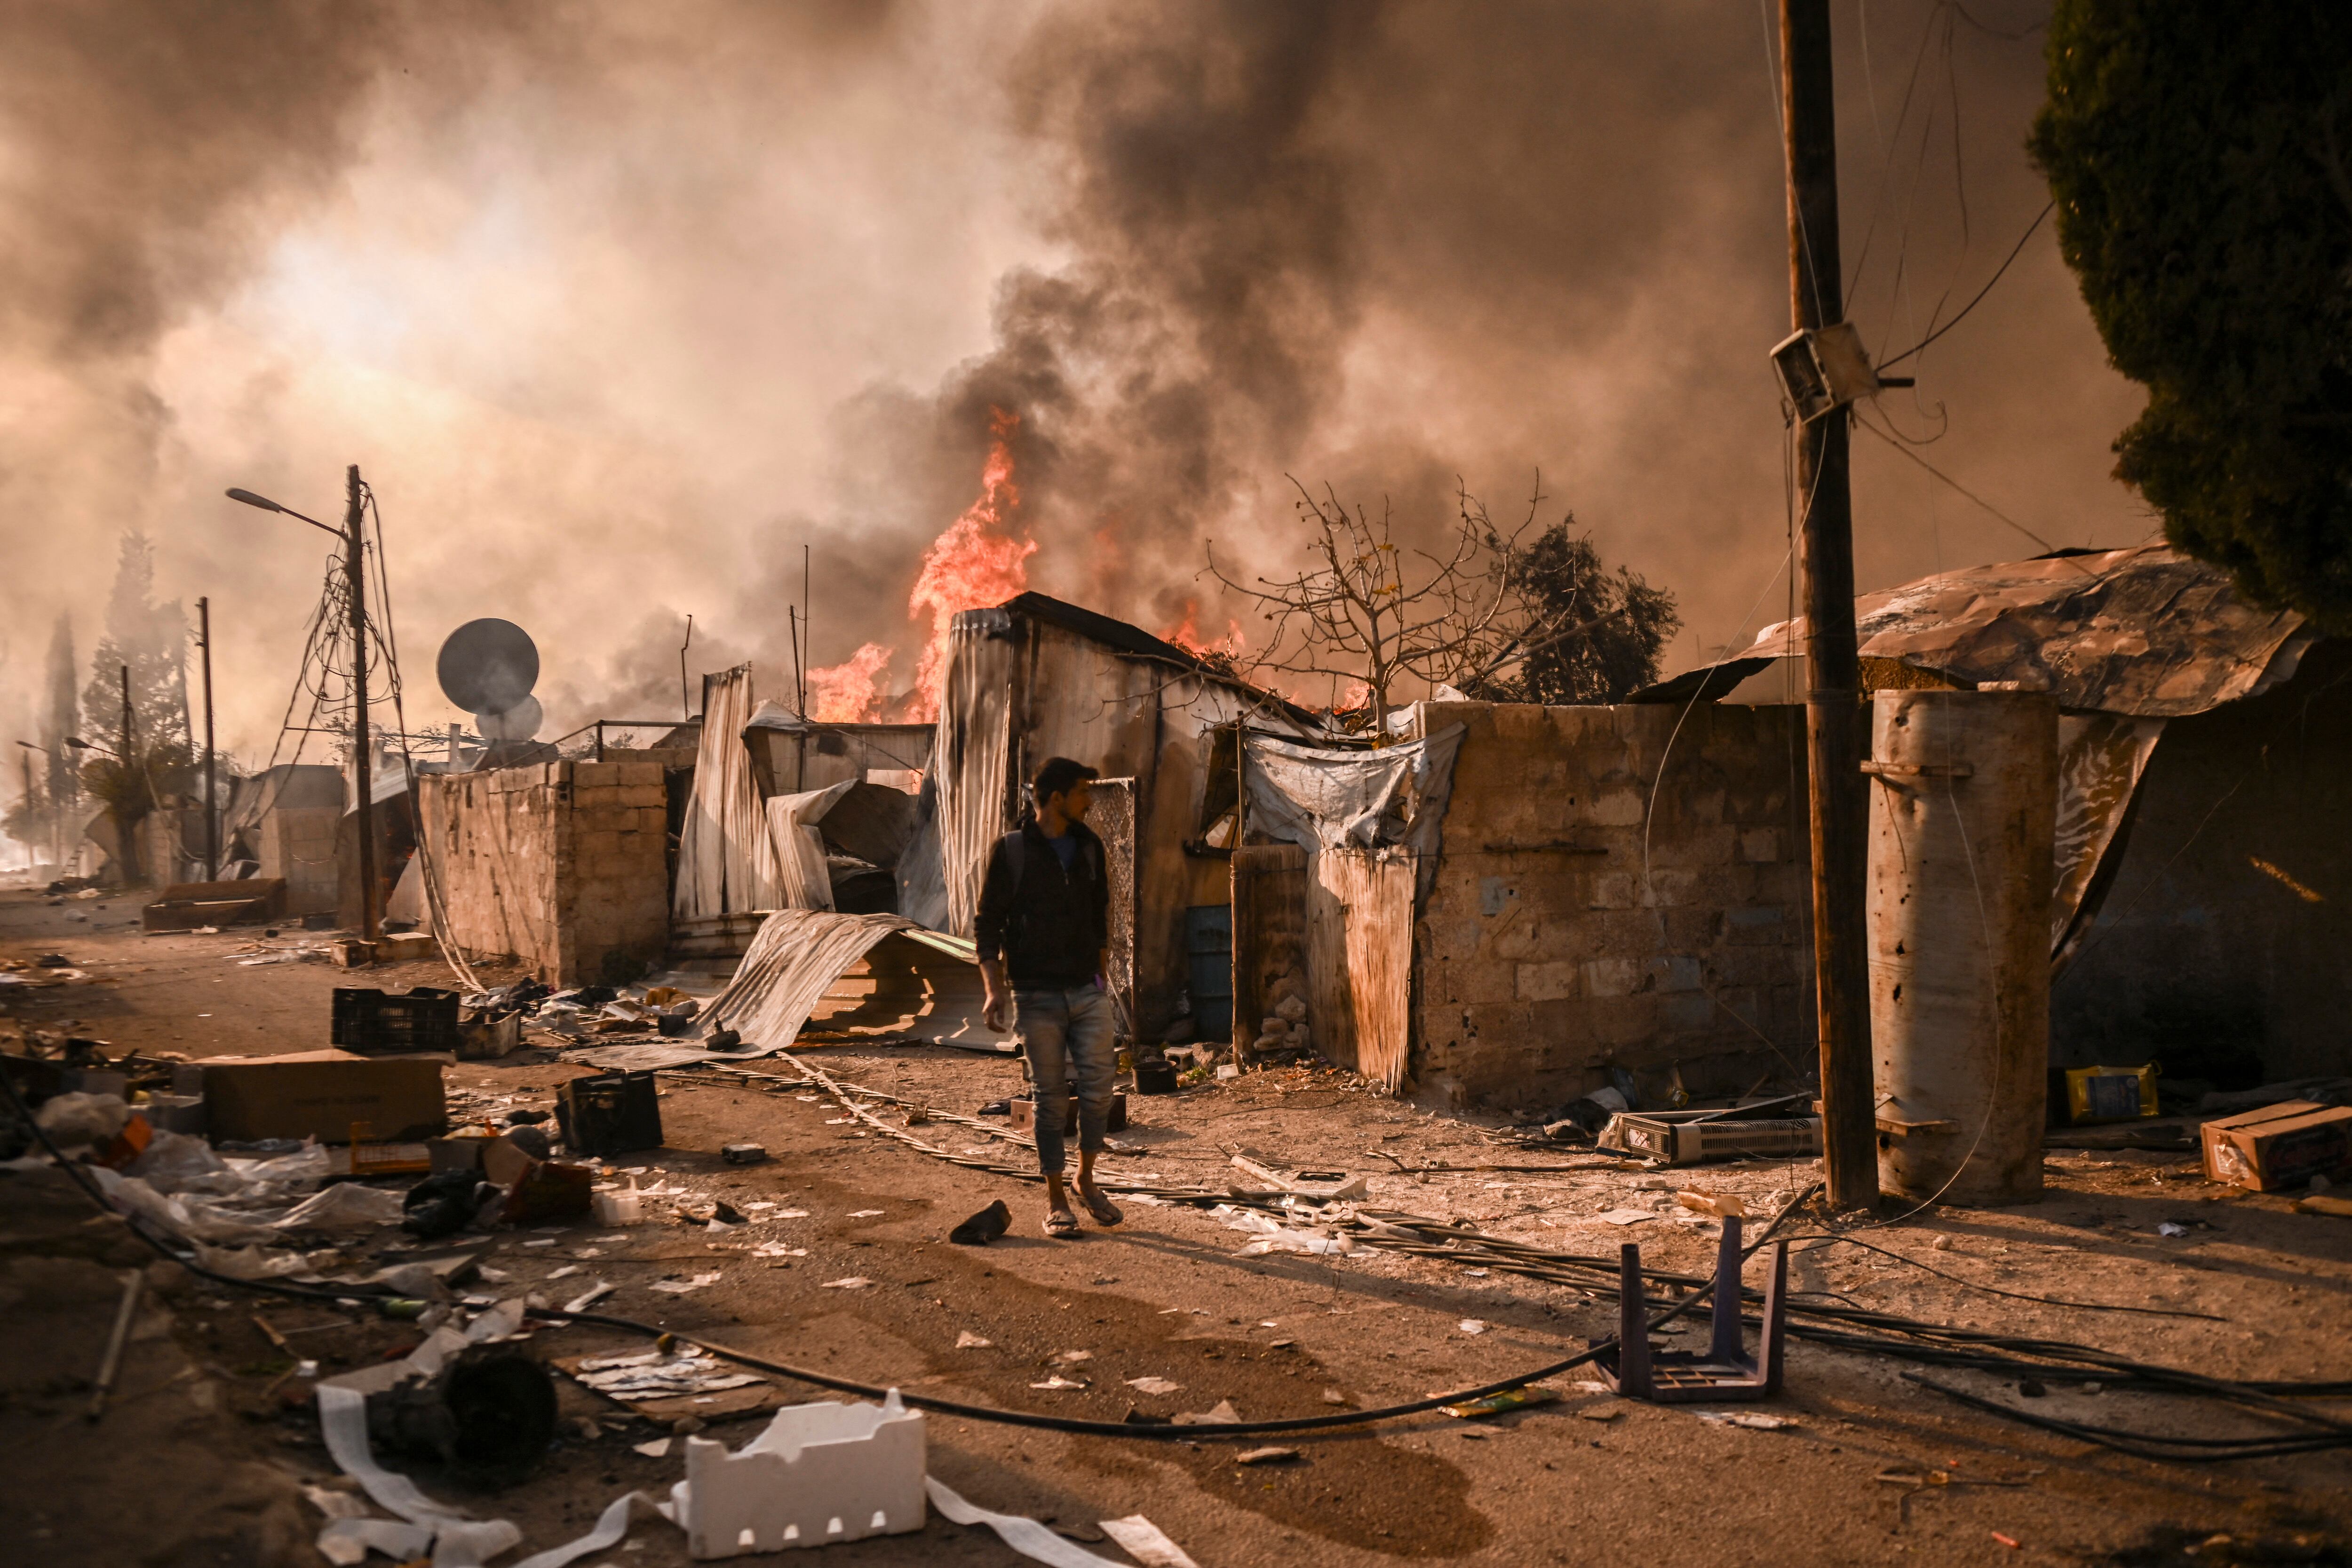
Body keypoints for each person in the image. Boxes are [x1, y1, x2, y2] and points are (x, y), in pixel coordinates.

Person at [976, 756, 1120, 1238]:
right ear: (1056, 799)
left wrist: (1100, 976)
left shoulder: (1089, 847)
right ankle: (1056, 1197)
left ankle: (1085, 1177)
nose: (1089, 801)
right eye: (1082, 792)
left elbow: (1100, 913)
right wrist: (994, 988)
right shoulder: (1012, 851)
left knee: (1100, 1091)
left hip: (1086, 990)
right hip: (1035, 994)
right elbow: (986, 925)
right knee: (1050, 1098)